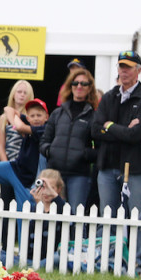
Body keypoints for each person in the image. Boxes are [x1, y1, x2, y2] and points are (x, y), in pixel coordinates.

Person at [93, 50, 141, 215]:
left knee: (136, 216)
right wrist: (124, 130)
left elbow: (134, 136)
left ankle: (136, 243)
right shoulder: (108, 96)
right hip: (108, 165)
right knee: (107, 217)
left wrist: (109, 126)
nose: (124, 71)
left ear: (139, 70)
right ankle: (109, 243)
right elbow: (95, 130)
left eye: (128, 67)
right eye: (121, 67)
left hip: (136, 168)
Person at [41, 68, 98, 211]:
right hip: (54, 173)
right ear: (70, 86)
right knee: (51, 213)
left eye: (84, 84)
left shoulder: (94, 116)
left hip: (79, 175)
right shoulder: (57, 113)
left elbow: (100, 149)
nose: (79, 86)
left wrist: (84, 155)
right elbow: (44, 141)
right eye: (75, 83)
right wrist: (51, 151)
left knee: (75, 216)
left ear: (90, 87)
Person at [0, 98, 48, 207]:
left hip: (27, 179)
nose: (35, 118)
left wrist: (19, 127)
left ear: (46, 117)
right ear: (28, 118)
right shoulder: (28, 122)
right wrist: (15, 124)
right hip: (15, 168)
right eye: (32, 116)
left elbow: (20, 126)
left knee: (23, 215)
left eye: (39, 115)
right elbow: (8, 109)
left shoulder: (45, 129)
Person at [0, 80, 34, 162]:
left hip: (26, 163)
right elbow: (0, 146)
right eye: (19, 92)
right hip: (9, 161)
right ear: (13, 94)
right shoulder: (3, 118)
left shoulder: (31, 118)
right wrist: (6, 164)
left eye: (25, 93)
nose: (22, 95)